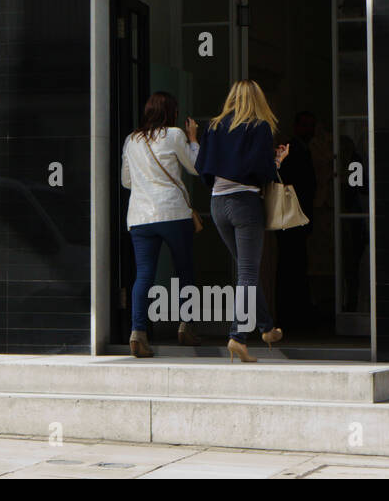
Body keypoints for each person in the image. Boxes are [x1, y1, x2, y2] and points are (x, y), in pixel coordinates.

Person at [195, 80, 288, 363]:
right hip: (245, 205)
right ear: (258, 99)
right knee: (247, 274)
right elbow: (261, 170)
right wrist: (278, 162)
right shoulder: (258, 126)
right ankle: (237, 336)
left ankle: (267, 328)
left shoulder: (214, 126)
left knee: (247, 271)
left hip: (217, 204)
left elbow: (202, 166)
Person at [120, 91, 201, 358]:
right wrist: (193, 139)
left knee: (143, 275)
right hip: (172, 212)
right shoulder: (175, 135)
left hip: (140, 217)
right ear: (171, 113)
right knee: (184, 270)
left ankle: (138, 333)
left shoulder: (131, 140)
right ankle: (185, 326)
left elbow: (126, 182)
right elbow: (195, 167)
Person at [275, 111, 319, 327]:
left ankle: (297, 312)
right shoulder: (291, 149)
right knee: (290, 264)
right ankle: (291, 314)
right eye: (306, 126)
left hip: (298, 216)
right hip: (291, 217)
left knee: (297, 263)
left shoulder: (303, 148)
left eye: (312, 126)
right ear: (296, 127)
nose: (310, 130)